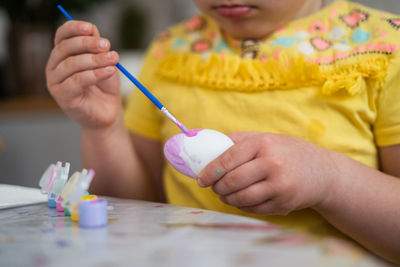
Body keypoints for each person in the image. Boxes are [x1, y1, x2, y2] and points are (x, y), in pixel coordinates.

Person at [45, 0, 400, 263]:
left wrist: (330, 181)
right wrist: (103, 127)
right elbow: (139, 207)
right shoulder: (170, 52)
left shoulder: (386, 48)